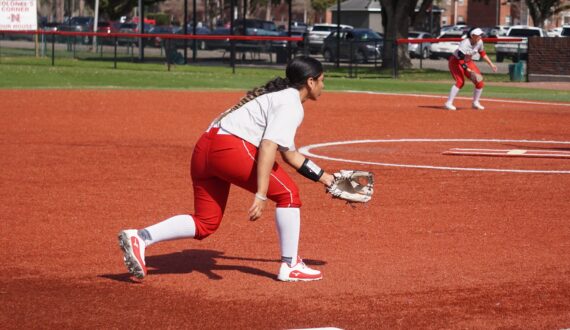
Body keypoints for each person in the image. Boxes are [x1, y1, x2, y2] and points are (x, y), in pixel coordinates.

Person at [118, 56, 335, 282]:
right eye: (322, 80)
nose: (323, 86)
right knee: (288, 194)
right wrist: (261, 194)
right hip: (230, 148)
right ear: (310, 82)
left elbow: (290, 154)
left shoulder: (277, 97)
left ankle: (141, 237)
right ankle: (290, 265)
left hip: (205, 148)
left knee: (206, 222)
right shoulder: (291, 103)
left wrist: (327, 179)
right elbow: (268, 146)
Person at [444, 27, 498, 111]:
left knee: (479, 82)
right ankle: (448, 103)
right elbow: (460, 58)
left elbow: (482, 53)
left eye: (481, 35)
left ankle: (475, 103)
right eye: (478, 35)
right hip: (456, 62)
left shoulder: (479, 42)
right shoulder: (465, 43)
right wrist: (467, 69)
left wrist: (491, 64)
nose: (480, 36)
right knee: (460, 82)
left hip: (468, 62)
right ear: (472, 35)